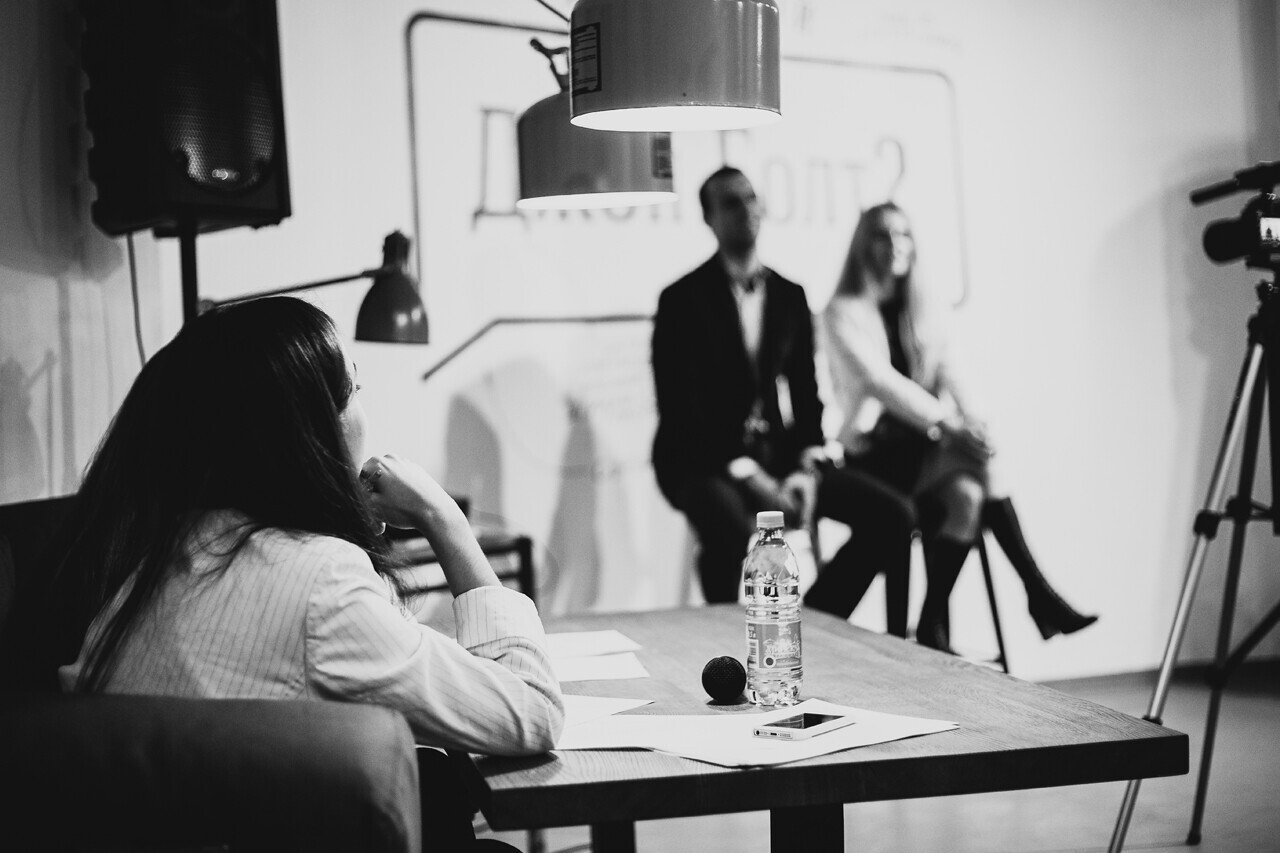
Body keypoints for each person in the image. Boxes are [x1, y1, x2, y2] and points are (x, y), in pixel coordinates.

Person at [52, 297, 563, 850]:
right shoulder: (320, 585)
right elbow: (531, 710)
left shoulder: (150, 563)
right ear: (311, 431)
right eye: (355, 390)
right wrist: (443, 518)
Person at [818, 202, 1097, 652]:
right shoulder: (841, 312)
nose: (894, 244)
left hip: (923, 450)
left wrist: (978, 426)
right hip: (871, 455)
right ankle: (1037, 592)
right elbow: (879, 382)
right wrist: (951, 426)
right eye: (882, 234)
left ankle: (933, 623)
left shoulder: (923, 309)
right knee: (974, 460)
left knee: (968, 494)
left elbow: (955, 372)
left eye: (903, 234)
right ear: (862, 245)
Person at [651, 166, 826, 603]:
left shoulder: (790, 294)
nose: (746, 210)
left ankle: (825, 614)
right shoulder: (681, 300)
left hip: (775, 451)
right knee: (728, 525)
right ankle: (726, 635)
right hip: (699, 459)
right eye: (731, 203)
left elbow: (806, 393)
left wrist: (805, 468)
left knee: (891, 513)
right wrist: (752, 477)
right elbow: (681, 410)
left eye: (751, 198)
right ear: (709, 218)